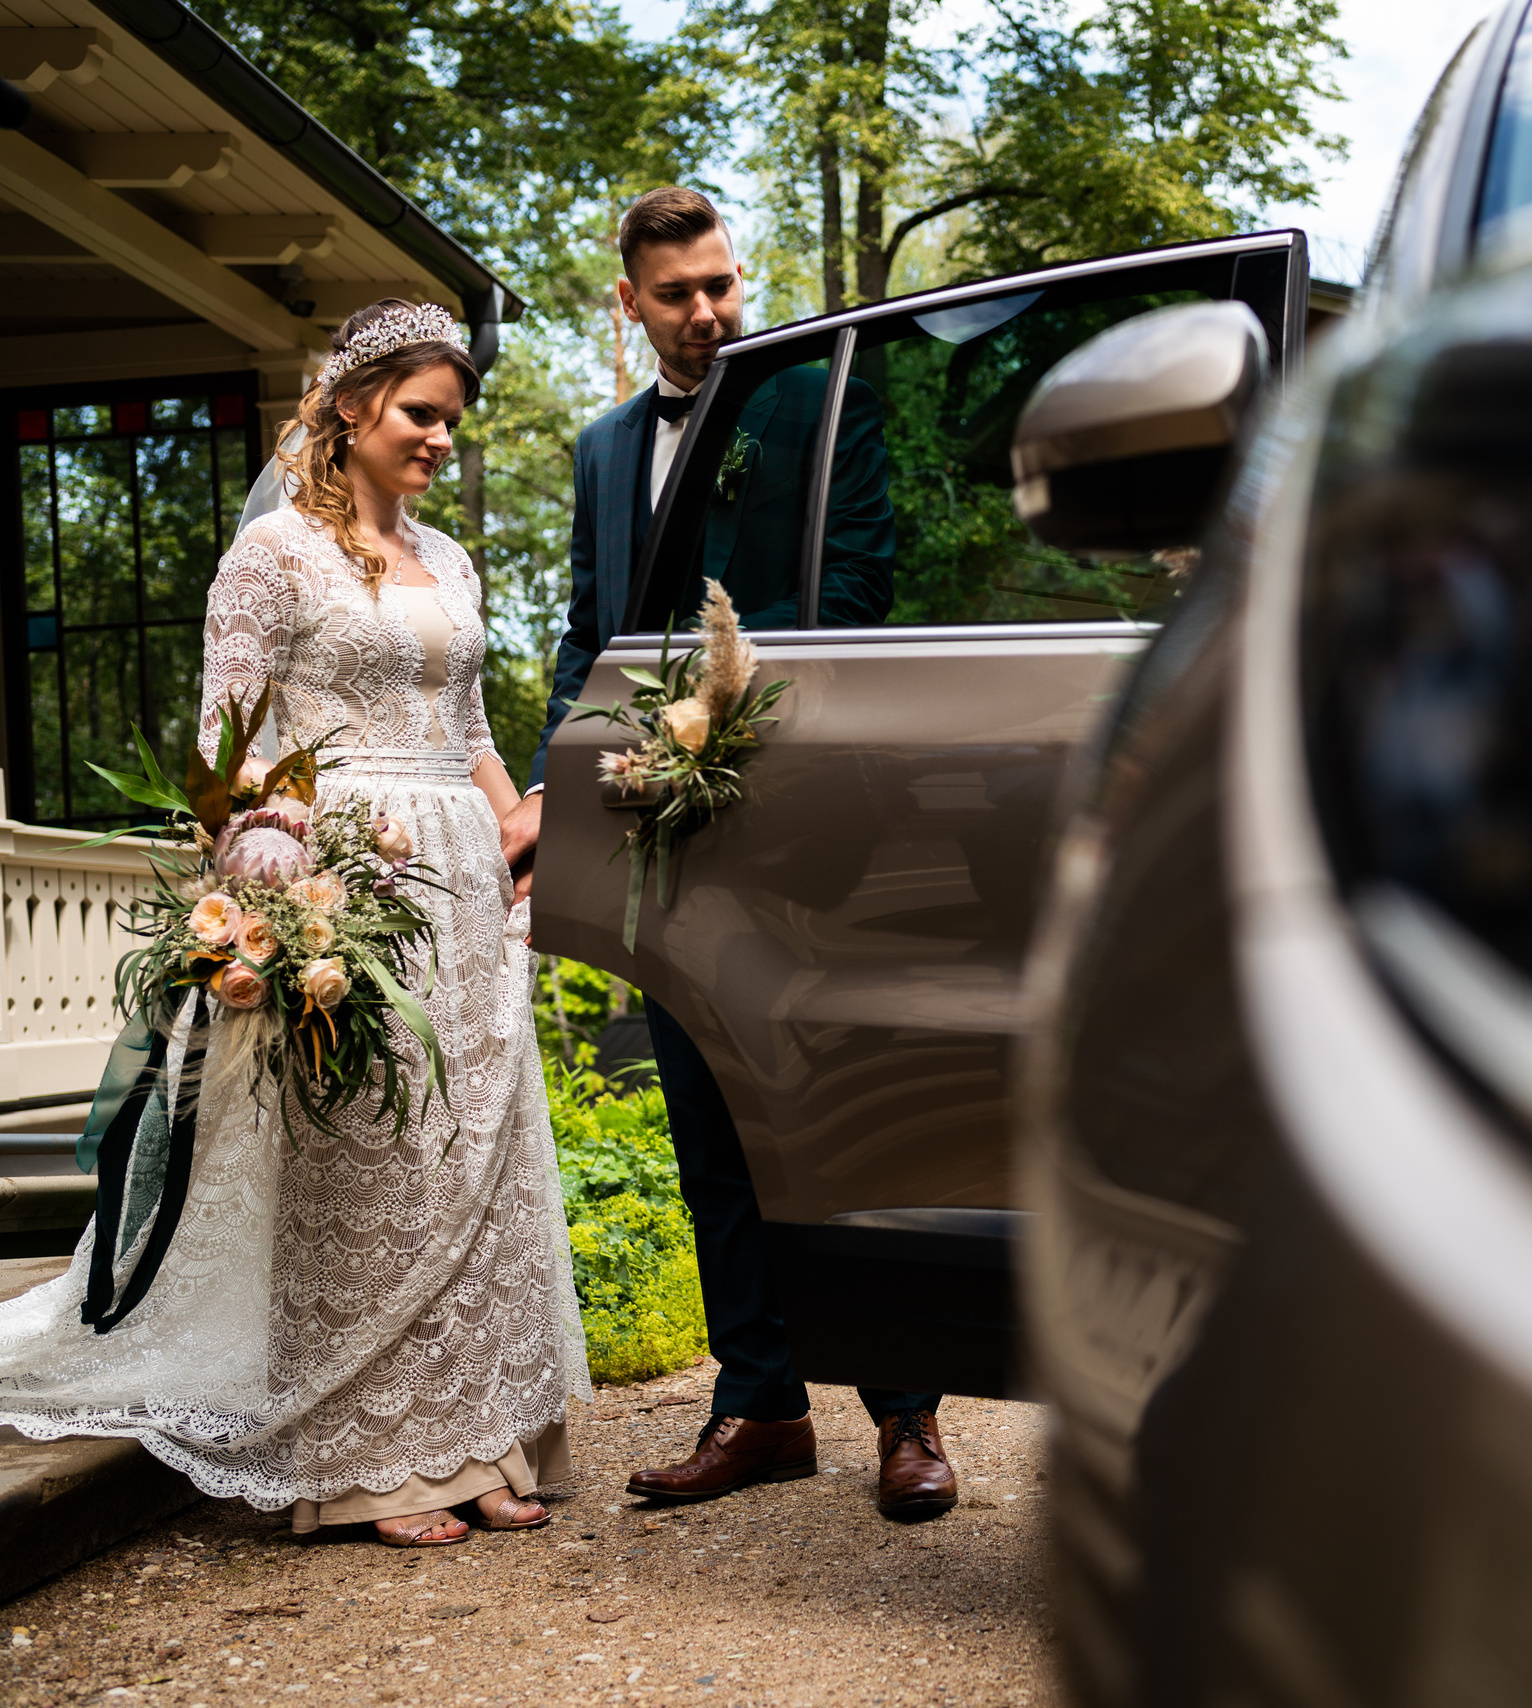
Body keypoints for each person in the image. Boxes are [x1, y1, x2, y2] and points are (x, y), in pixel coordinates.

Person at [0, 301, 585, 1548]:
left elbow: (473, 730)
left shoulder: (451, 559)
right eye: (423, 415)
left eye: (451, 422)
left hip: (467, 884)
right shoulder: (275, 559)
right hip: (351, 877)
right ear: (356, 403)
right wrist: (273, 868)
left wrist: (524, 841)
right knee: (372, 1162)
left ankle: (478, 1439)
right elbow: (233, 746)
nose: (439, 439)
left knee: (469, 1163)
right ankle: (375, 1464)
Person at [499, 187, 958, 1520]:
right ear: (628, 304)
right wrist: (560, 792)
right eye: (677, 294)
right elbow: (590, 642)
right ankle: (759, 1404)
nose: (707, 312)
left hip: (814, 824)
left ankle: (908, 1415)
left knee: (847, 1115)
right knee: (708, 1127)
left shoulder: (818, 406)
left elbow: (858, 598)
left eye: (720, 285)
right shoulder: (597, 450)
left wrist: (733, 730)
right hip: (665, 843)